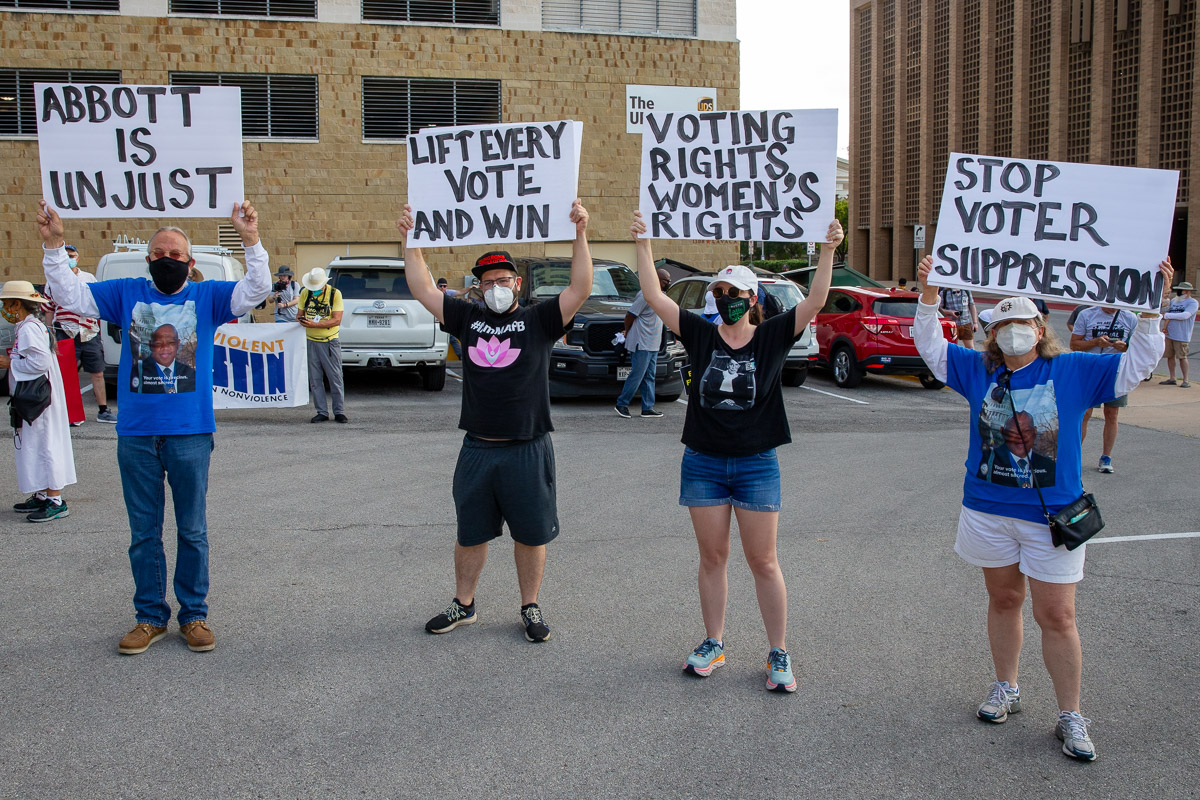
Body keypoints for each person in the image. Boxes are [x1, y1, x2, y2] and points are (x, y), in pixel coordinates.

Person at [913, 253, 1170, 762]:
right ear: (991, 333)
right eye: (1002, 324)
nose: (1013, 331)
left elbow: (1137, 365)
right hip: (988, 509)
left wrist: (1152, 310)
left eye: (1022, 322)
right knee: (1004, 601)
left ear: (1039, 326)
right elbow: (931, 347)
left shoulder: (1072, 369)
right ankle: (1005, 686)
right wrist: (927, 294)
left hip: (1051, 516)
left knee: (1058, 614)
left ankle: (1070, 714)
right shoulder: (976, 369)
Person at [36, 199, 270, 654]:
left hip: (191, 434)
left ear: (190, 262)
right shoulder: (126, 293)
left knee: (192, 530)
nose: (167, 260)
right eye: (159, 254)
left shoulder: (207, 298)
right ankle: (149, 617)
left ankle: (194, 615)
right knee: (143, 532)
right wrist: (54, 245)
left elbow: (256, 288)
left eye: (175, 255)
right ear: (148, 261)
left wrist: (250, 238)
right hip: (137, 436)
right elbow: (70, 295)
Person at [630, 212, 844, 693]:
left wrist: (827, 250)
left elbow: (814, 300)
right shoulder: (702, 334)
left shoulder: (770, 338)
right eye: (720, 295)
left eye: (735, 295)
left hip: (756, 463)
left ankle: (778, 652)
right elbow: (655, 296)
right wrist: (643, 243)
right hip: (703, 461)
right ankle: (714, 642)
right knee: (713, 558)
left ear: (753, 300)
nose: (726, 301)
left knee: (764, 560)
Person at [397, 199, 593, 644]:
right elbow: (423, 288)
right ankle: (463, 604)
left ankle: (530, 606)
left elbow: (580, 287)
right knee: (471, 532)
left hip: (528, 445)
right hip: (479, 447)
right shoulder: (467, 317)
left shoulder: (539, 319)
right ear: (478, 288)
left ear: (517, 283)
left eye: (503, 280)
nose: (496, 287)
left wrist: (581, 232)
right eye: (488, 282)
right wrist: (411, 239)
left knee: (531, 533)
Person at [0, 281, 76, 523]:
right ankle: (44, 493)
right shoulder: (30, 326)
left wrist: (10, 363)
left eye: (5, 303)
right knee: (36, 444)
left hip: (38, 399)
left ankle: (55, 499)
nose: (4, 308)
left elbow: (39, 363)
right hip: (37, 396)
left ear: (17, 304)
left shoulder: (30, 329)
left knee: (45, 444)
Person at [43, 244, 117, 424]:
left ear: (78, 257)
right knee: (68, 373)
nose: (69, 258)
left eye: (72, 255)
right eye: (66, 255)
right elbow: (48, 308)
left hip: (88, 331)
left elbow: (97, 302)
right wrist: (50, 332)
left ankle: (103, 410)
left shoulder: (88, 278)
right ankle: (70, 412)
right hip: (65, 330)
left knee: (97, 372)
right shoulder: (54, 281)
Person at [1070, 305, 1138, 473]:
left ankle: (1106, 457)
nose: (1112, 307)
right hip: (1089, 369)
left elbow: (1138, 348)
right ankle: (1074, 457)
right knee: (1084, 413)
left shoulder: (1130, 317)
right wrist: (1095, 342)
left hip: (1116, 370)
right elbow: (1074, 344)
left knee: (1112, 414)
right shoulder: (1087, 314)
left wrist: (1126, 347)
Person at [614, 267, 671, 419]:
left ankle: (647, 407)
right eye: (666, 281)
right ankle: (622, 404)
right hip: (642, 342)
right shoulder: (645, 296)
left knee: (649, 376)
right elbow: (630, 315)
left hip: (653, 343)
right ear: (657, 280)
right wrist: (627, 331)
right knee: (637, 375)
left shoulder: (659, 296)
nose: (668, 284)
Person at [298, 267, 347, 423]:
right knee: (315, 379)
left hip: (329, 341)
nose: (315, 290)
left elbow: (337, 319)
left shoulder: (335, 294)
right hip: (311, 341)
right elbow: (299, 314)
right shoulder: (305, 293)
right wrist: (303, 321)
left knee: (335, 377)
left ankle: (339, 411)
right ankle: (322, 412)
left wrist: (313, 324)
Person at [132, 324, 197, 394]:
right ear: (151, 345)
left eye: (171, 343)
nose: (165, 347)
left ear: (178, 344)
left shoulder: (189, 373)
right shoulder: (139, 371)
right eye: (158, 343)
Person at [1160, 281, 1197, 388]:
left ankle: (1185, 379)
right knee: (1169, 356)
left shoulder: (1192, 303)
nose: (1179, 292)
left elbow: (1185, 315)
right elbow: (1165, 311)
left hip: (1182, 335)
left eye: (1181, 290)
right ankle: (1172, 378)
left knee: (1182, 356)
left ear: (1187, 291)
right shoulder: (1173, 301)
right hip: (1169, 333)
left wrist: (1167, 315)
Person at [437, 277, 464, 359]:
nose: (442, 288)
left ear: (447, 287)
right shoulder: (433, 294)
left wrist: (471, 287)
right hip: (436, 322)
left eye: (444, 286)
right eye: (440, 286)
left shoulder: (448, 293)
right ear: (437, 286)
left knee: (453, 339)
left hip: (447, 321)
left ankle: (461, 356)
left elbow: (460, 292)